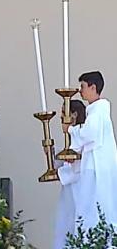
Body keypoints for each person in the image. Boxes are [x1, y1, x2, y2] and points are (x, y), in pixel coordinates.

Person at [66, 71, 117, 229]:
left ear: (93, 87)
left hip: (96, 168)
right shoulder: (96, 111)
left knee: (92, 208)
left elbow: (90, 135)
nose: (80, 90)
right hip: (96, 165)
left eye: (83, 86)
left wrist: (71, 130)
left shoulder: (98, 111)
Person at [53, 100, 86, 249]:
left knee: (77, 227)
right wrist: (52, 154)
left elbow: (79, 167)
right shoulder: (73, 137)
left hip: (80, 190)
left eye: (63, 117)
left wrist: (60, 172)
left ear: (74, 115)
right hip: (69, 193)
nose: (62, 120)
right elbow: (64, 164)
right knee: (65, 227)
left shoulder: (83, 134)